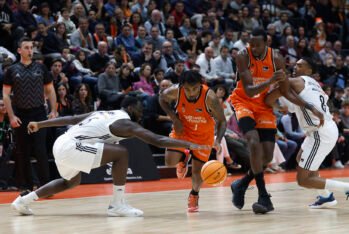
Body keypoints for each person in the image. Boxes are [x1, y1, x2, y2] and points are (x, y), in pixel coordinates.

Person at [11, 96, 209, 217]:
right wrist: (190, 145)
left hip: (62, 142)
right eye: (139, 108)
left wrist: (40, 123)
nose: (141, 112)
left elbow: (71, 118)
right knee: (121, 154)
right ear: (131, 108)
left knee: (69, 182)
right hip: (71, 146)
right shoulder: (125, 123)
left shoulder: (104, 112)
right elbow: (158, 140)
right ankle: (117, 205)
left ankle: (23, 201)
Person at [229, 28, 322, 214]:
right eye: (251, 44)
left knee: (268, 157)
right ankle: (263, 196)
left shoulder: (276, 59)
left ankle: (241, 184)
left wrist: (308, 106)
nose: (253, 48)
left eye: (257, 45)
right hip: (243, 102)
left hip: (264, 105)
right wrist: (270, 79)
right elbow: (249, 91)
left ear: (267, 43)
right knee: (254, 143)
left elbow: (286, 91)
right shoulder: (242, 56)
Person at [264, 58, 349, 208]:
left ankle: (346, 188)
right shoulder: (313, 86)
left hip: (320, 133)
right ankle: (326, 197)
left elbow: (271, 95)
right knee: (300, 157)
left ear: (309, 71)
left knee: (303, 180)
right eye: (295, 64)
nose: (295, 66)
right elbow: (283, 102)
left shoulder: (300, 81)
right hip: (322, 130)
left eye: (300, 65)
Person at [159, 70, 226, 212]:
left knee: (197, 172)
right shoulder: (174, 92)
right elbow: (161, 98)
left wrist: (218, 140)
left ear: (201, 85)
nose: (191, 93)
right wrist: (174, 119)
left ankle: (194, 194)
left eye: (195, 89)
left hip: (204, 134)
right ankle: (184, 157)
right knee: (169, 162)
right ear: (181, 86)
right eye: (187, 89)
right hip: (183, 129)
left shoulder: (210, 98)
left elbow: (222, 121)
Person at [3, 37, 57, 191]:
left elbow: (50, 90)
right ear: (19, 50)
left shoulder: (41, 68)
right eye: (26, 47)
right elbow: (6, 95)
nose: (29, 50)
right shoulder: (12, 70)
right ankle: (26, 186)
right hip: (20, 114)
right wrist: (12, 116)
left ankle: (45, 186)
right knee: (23, 151)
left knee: (40, 150)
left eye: (31, 47)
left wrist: (53, 110)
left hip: (39, 113)